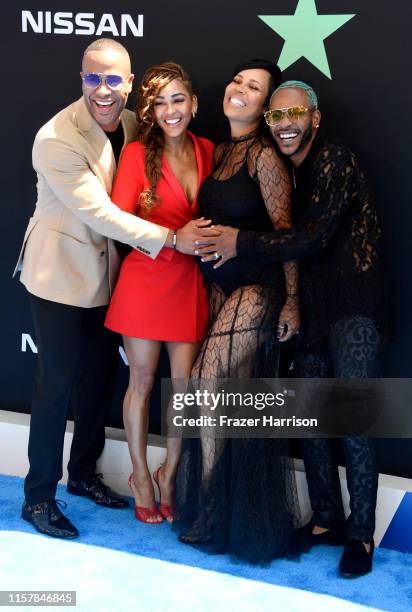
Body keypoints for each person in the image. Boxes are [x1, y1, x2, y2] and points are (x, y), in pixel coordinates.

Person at [13, 39, 218, 539]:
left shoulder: (131, 124)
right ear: (80, 79)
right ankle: (39, 498)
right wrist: (174, 238)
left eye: (113, 80)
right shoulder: (56, 138)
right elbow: (101, 213)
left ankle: (83, 476)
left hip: (111, 279)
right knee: (56, 385)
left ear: (129, 85)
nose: (103, 91)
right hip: (60, 276)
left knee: (98, 381)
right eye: (92, 78)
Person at [197, 81, 390, 577]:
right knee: (311, 418)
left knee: (351, 415)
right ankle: (326, 519)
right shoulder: (288, 172)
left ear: (315, 118)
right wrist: (290, 300)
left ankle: (362, 536)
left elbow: (311, 237)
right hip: (311, 307)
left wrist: (243, 242)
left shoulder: (334, 160)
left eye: (295, 113)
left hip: (355, 304)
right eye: (276, 116)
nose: (284, 123)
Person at [173, 60, 306, 565]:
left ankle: (209, 501)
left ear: (266, 105)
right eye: (237, 81)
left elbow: (288, 233)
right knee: (230, 397)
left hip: (260, 286)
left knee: (208, 380)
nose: (240, 90)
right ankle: (234, 510)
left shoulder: (265, 158)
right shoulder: (221, 150)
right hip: (219, 289)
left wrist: (291, 297)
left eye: (254, 88)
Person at [105, 62, 214, 524]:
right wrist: (172, 237)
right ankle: (141, 478)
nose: (171, 111)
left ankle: (170, 474)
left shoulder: (209, 149)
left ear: (193, 103)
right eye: (160, 103)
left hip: (190, 283)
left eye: (178, 100)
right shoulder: (134, 154)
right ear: (150, 110)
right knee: (143, 383)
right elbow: (116, 221)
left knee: (184, 390)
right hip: (146, 280)